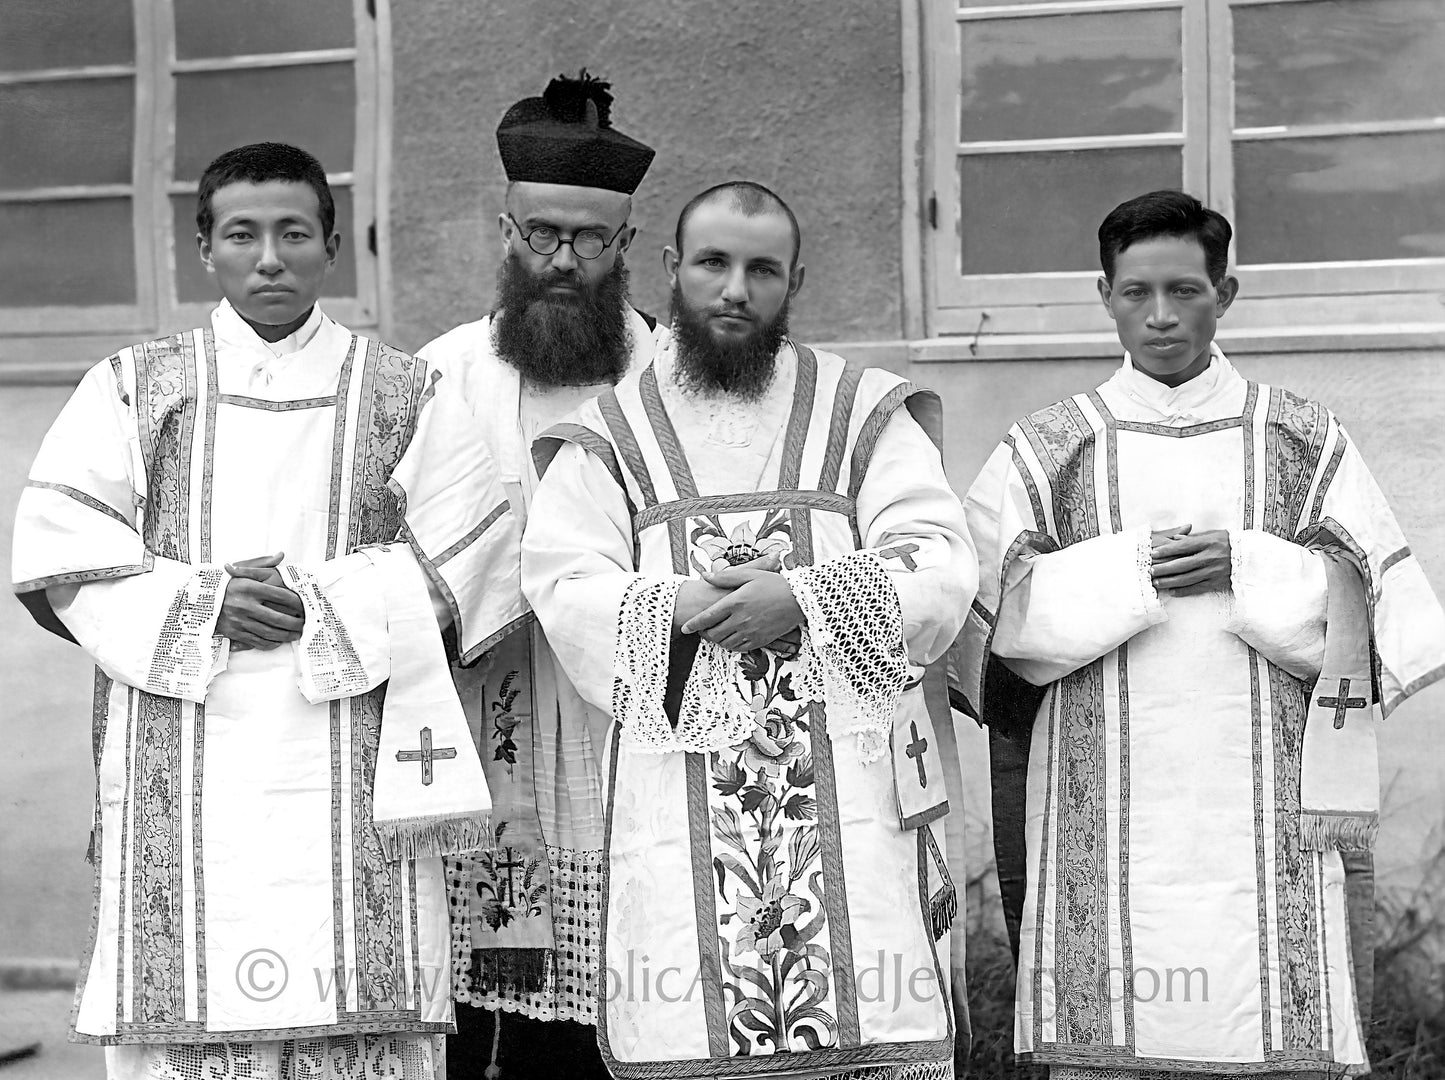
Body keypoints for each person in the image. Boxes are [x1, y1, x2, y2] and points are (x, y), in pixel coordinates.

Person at [11, 143, 524, 1080]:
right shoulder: (138, 384)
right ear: (204, 247)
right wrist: (202, 602)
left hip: (357, 749)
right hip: (181, 744)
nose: (270, 257)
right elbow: (59, 551)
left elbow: (477, 556)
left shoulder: (404, 390)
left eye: (295, 233)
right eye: (242, 233)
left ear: (333, 246)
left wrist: (325, 603)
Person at [952, 189, 1445, 1078]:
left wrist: (1250, 568)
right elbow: (983, 628)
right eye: (1136, 292)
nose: (1160, 316)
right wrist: (1125, 574)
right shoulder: (1047, 447)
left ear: (1227, 291)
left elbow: (1379, 614)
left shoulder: (1302, 438)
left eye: (1184, 290)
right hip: (1092, 803)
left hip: (1266, 817)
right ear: (1102, 293)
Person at [521, 181, 977, 1078]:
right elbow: (565, 586)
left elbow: (938, 560)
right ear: (670, 268)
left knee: (872, 1021)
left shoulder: (862, 413)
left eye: (761, 269)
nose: (734, 289)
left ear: (794, 280)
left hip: (855, 797)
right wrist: (682, 607)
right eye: (713, 264)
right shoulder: (612, 434)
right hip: (675, 791)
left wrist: (801, 602)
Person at [414, 72, 657, 1079]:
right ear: (501, 231)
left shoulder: (671, 378)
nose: (562, 260)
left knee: (636, 984)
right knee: (487, 1014)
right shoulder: (435, 376)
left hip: (626, 722)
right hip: (484, 717)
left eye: (587, 241)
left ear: (625, 249)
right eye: (541, 235)